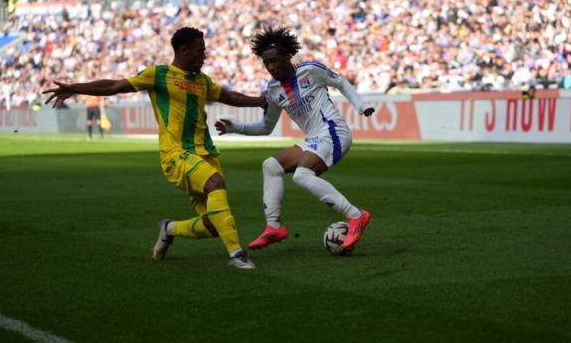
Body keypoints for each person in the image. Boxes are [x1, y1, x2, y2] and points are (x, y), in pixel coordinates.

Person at [43, 27, 265, 269]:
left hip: (206, 154)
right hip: (177, 154)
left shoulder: (202, 81)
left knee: (213, 225)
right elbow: (114, 86)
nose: (205, 56)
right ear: (183, 50)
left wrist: (259, 101)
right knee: (215, 183)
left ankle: (169, 229)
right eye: (200, 52)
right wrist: (75, 88)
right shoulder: (158, 75)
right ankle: (237, 255)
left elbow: (228, 96)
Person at [216, 27, 374, 252]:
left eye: (274, 61)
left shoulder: (311, 69)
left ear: (287, 57)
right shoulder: (272, 90)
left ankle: (356, 216)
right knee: (270, 166)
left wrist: (361, 105)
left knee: (302, 175)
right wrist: (236, 127)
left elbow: (341, 83)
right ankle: (273, 227)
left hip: (334, 131)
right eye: (266, 63)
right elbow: (266, 127)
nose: (270, 67)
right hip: (313, 139)